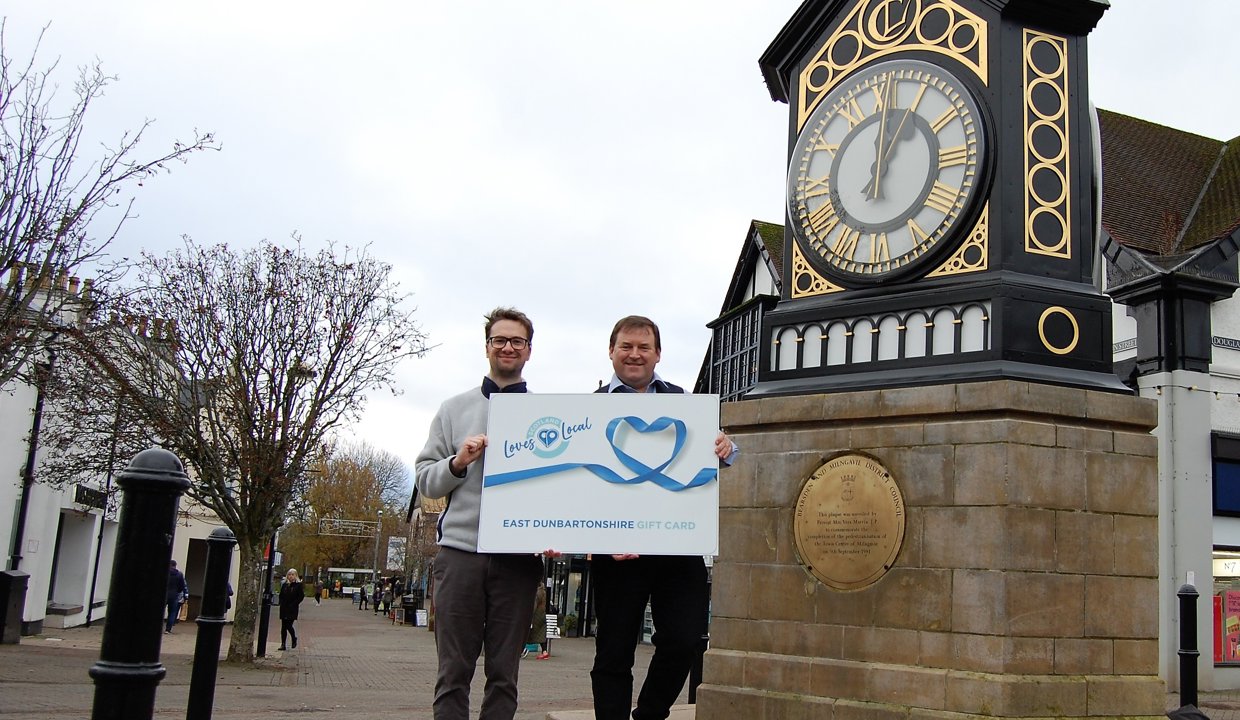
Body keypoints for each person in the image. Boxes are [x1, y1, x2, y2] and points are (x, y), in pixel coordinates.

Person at [590, 315, 737, 720]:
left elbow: (719, 456)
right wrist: (598, 540)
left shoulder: (685, 404)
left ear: (657, 355)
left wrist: (727, 446)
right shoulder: (587, 409)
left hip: (677, 548)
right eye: (626, 346)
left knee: (684, 641)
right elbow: (580, 488)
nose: (634, 354)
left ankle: (650, 714)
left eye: (643, 347)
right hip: (617, 554)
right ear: (611, 351)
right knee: (613, 653)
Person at [415, 306, 545, 720]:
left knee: (505, 675)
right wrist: (458, 462)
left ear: (529, 351)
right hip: (460, 555)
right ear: (487, 347)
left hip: (518, 561)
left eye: (517, 341)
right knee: (453, 672)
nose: (508, 347)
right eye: (499, 340)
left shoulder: (551, 416)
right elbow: (425, 481)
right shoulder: (453, 409)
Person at [278, 568, 305, 650]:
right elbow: (281, 595)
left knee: (289, 625)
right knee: (283, 627)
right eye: (289, 574)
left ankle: (294, 638)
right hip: (284, 608)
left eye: (292, 575)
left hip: (292, 609)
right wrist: (281, 602)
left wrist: (294, 604)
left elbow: (301, 596)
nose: (291, 576)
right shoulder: (285, 585)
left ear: (295, 576)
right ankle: (283, 644)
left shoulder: (298, 585)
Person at [165, 560, 189, 634]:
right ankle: (168, 629)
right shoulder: (179, 574)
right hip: (174, 595)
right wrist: (178, 592)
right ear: (175, 565)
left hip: (165, 594)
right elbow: (182, 586)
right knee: (172, 612)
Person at [529, 584, 549, 660]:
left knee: (528, 633)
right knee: (541, 634)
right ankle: (544, 652)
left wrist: (530, 614)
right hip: (542, 615)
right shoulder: (543, 591)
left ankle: (520, 650)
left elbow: (534, 605)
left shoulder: (538, 592)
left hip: (537, 616)